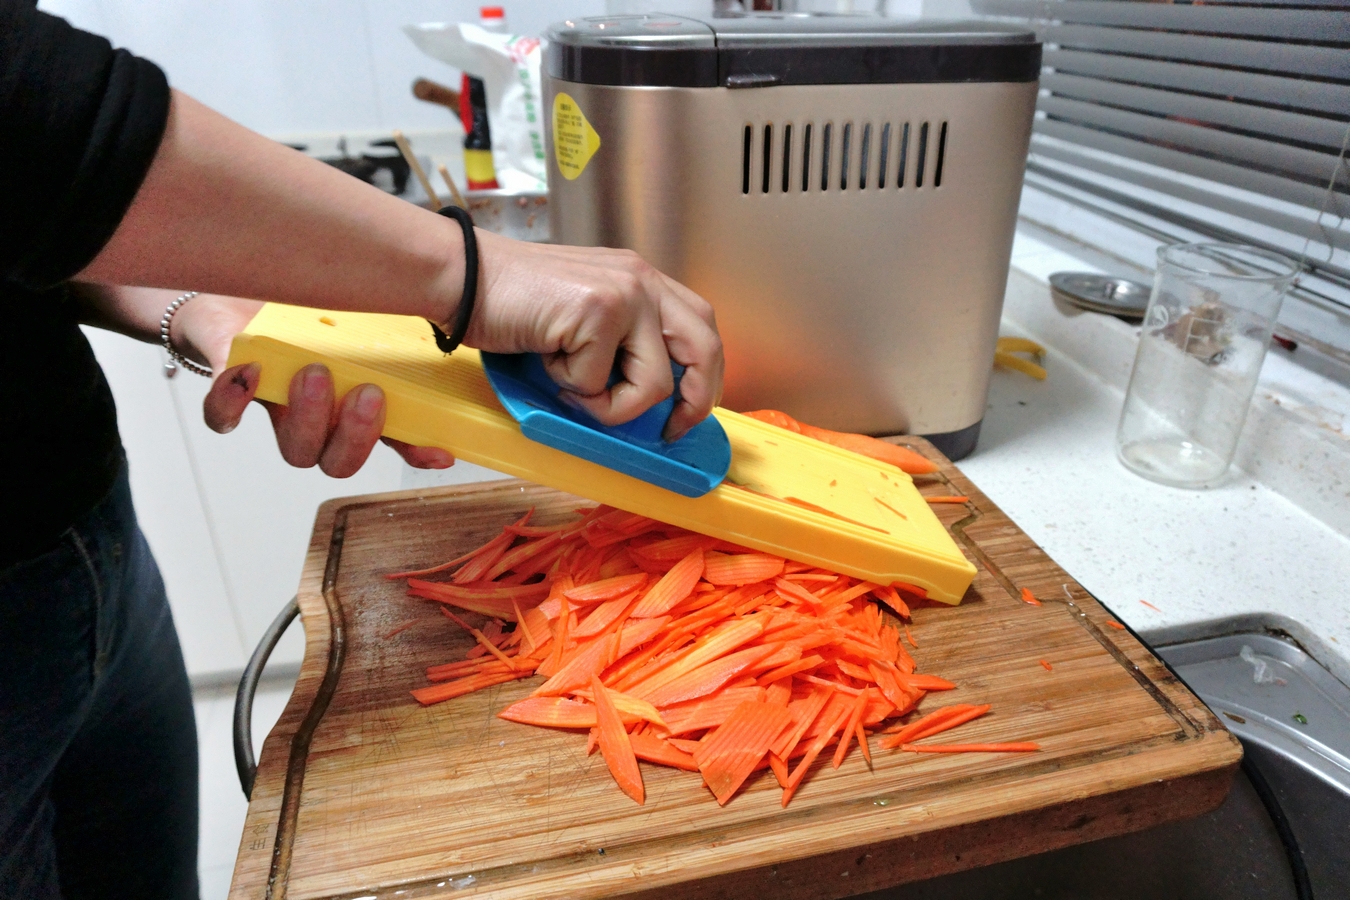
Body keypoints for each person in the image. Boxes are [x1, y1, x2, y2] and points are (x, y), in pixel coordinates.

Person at [0, 3, 724, 898]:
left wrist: (205, 308)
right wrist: (474, 271)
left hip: (86, 535)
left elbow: (26, 206)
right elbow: (24, 112)